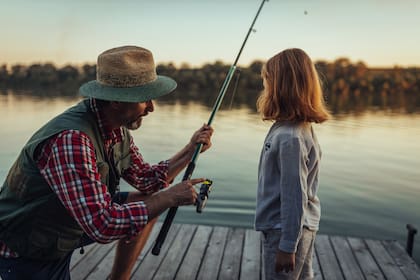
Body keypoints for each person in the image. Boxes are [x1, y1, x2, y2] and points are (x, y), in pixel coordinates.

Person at [0, 45, 214, 280]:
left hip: (67, 226)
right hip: (28, 249)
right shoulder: (72, 140)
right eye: (145, 99)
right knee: (153, 203)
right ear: (117, 101)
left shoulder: (115, 129)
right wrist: (169, 197)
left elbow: (146, 180)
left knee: (148, 201)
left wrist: (190, 149)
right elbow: (103, 225)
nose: (152, 108)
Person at [254, 48, 330, 280]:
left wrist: (287, 246)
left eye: (268, 81)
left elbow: (294, 194)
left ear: (281, 86)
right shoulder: (295, 129)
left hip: (283, 231)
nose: (265, 87)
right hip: (300, 226)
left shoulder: (290, 137)